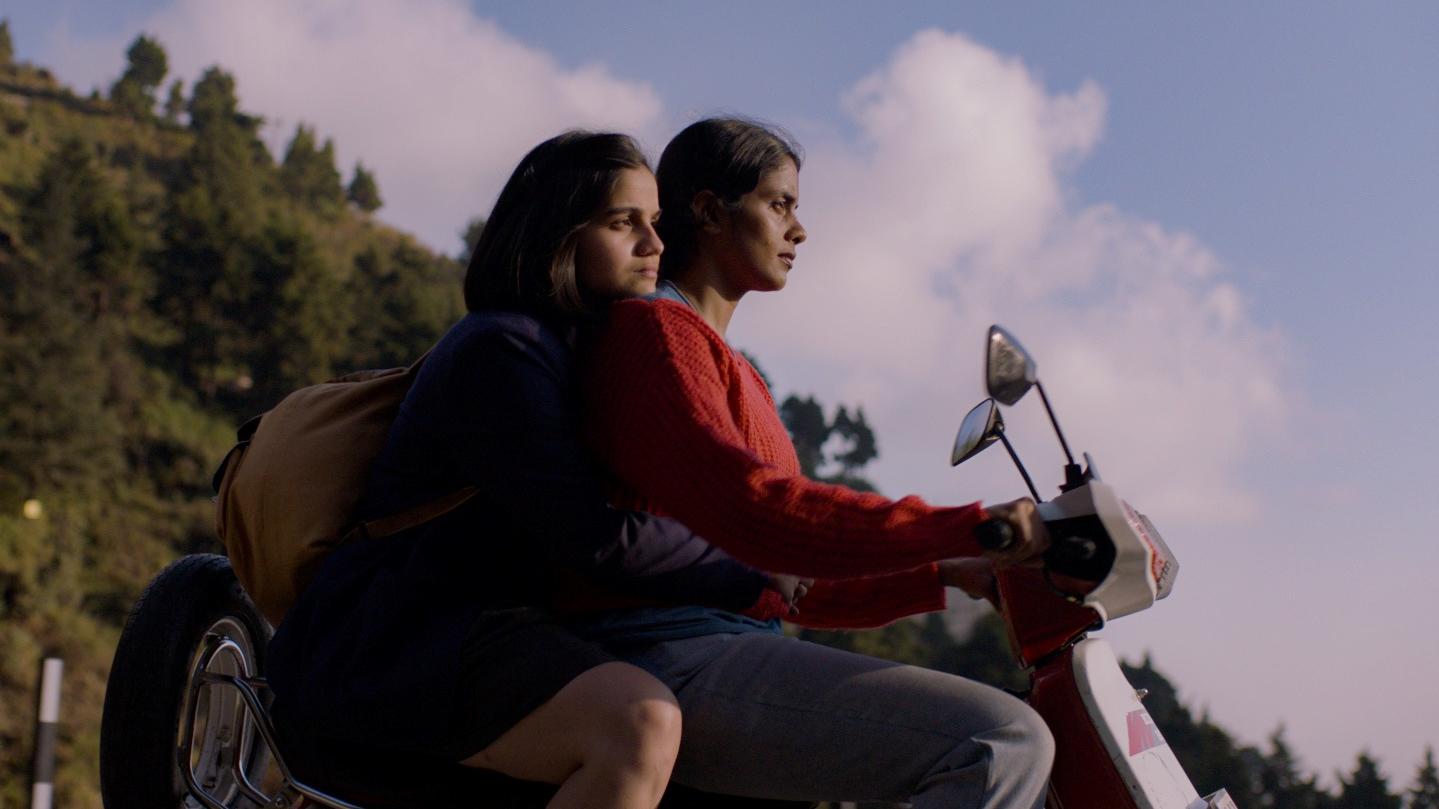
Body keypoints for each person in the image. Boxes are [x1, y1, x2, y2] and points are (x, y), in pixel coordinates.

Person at [265, 131, 792, 809]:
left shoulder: (578, 351)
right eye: (621, 222)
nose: (653, 245)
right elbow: (593, 535)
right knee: (637, 723)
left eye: (655, 224)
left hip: (487, 641)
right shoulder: (503, 350)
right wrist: (749, 565)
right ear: (558, 233)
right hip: (400, 645)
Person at [576, 118, 1056, 808]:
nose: (799, 230)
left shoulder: (733, 370)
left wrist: (952, 571)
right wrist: (971, 525)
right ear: (709, 210)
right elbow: (759, 514)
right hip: (663, 651)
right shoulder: (654, 333)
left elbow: (794, 579)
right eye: (780, 204)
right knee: (1000, 740)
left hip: (725, 646)